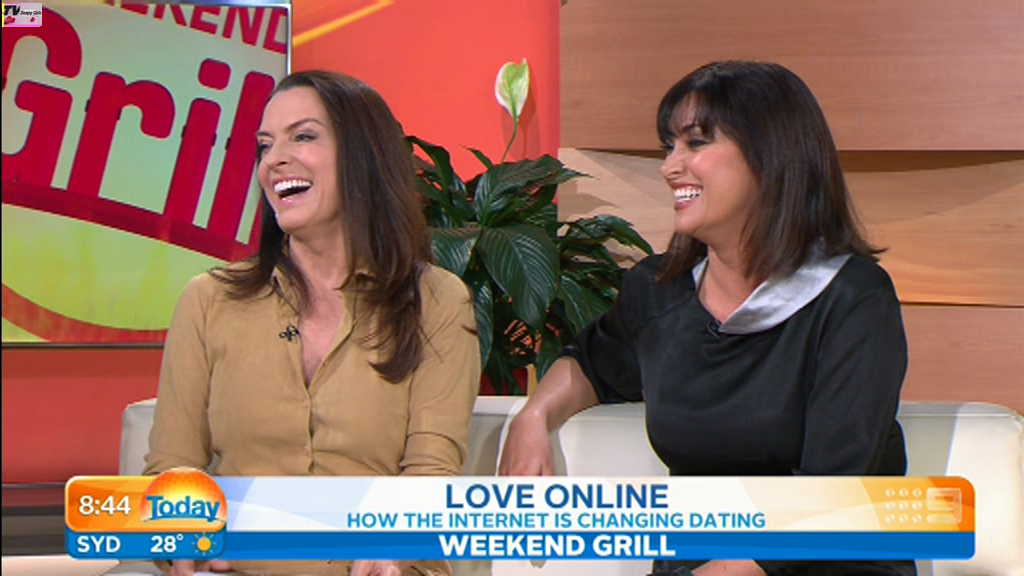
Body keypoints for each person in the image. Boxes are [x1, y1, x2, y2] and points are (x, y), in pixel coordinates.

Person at [498, 61, 915, 576]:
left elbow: (830, 494)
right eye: (668, 147)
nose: (669, 167)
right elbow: (593, 363)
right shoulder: (659, 292)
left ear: (770, 157)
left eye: (695, 144)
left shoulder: (852, 298)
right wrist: (533, 418)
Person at [145, 70, 481, 576]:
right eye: (265, 146)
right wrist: (184, 532)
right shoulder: (209, 301)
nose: (274, 160)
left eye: (302, 136)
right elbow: (171, 467)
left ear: (363, 157)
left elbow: (431, 473)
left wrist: (394, 546)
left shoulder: (436, 301)